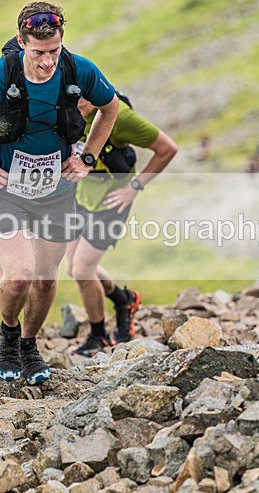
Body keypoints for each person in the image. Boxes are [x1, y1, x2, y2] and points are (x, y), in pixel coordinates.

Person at [0, 1, 119, 385]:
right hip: (7, 189)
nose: (48, 62)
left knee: (45, 279)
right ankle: (7, 335)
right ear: (22, 42)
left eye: (54, 51)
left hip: (56, 190)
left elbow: (111, 107)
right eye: (38, 53)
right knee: (19, 276)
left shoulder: (78, 69)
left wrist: (88, 157)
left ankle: (29, 344)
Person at [67, 97, 178, 357]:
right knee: (74, 269)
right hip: (81, 197)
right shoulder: (67, 109)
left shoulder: (120, 116)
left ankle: (98, 337)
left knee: (83, 269)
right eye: (72, 93)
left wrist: (134, 188)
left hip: (112, 202)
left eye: (83, 94)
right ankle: (123, 300)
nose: (76, 100)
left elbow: (167, 149)